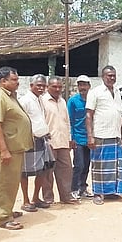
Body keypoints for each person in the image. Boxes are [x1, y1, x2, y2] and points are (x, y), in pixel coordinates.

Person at [0, 66, 33, 230]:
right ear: (3, 81)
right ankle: (3, 218)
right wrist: (4, 150)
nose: (18, 82)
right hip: (7, 150)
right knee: (4, 183)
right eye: (14, 79)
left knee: (12, 182)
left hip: (16, 148)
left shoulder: (10, 96)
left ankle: (7, 210)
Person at [86, 65, 122, 205]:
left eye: (114, 75)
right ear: (103, 77)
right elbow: (88, 115)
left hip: (115, 135)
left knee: (114, 166)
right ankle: (98, 193)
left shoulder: (117, 91)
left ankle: (110, 192)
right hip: (100, 135)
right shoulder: (95, 92)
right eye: (109, 75)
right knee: (100, 166)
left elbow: (121, 114)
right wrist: (90, 136)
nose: (112, 78)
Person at [19, 74, 54, 212]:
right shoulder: (25, 100)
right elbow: (21, 121)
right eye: (38, 85)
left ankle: (35, 198)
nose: (41, 88)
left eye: (43, 86)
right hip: (29, 140)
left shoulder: (39, 99)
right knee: (24, 172)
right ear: (31, 85)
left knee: (42, 170)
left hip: (42, 139)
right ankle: (26, 200)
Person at [41, 76, 78, 204]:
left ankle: (66, 197)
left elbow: (67, 122)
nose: (57, 89)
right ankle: (48, 199)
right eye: (54, 87)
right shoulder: (42, 101)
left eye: (59, 87)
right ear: (47, 87)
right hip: (49, 143)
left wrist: (69, 139)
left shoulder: (62, 101)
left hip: (63, 142)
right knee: (47, 173)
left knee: (66, 170)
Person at [68, 75, 94, 199]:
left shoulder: (93, 100)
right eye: (80, 85)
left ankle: (83, 188)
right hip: (78, 137)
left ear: (89, 86)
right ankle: (74, 189)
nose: (82, 87)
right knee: (79, 165)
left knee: (87, 164)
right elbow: (70, 121)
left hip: (90, 138)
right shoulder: (73, 101)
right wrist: (71, 138)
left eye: (85, 85)